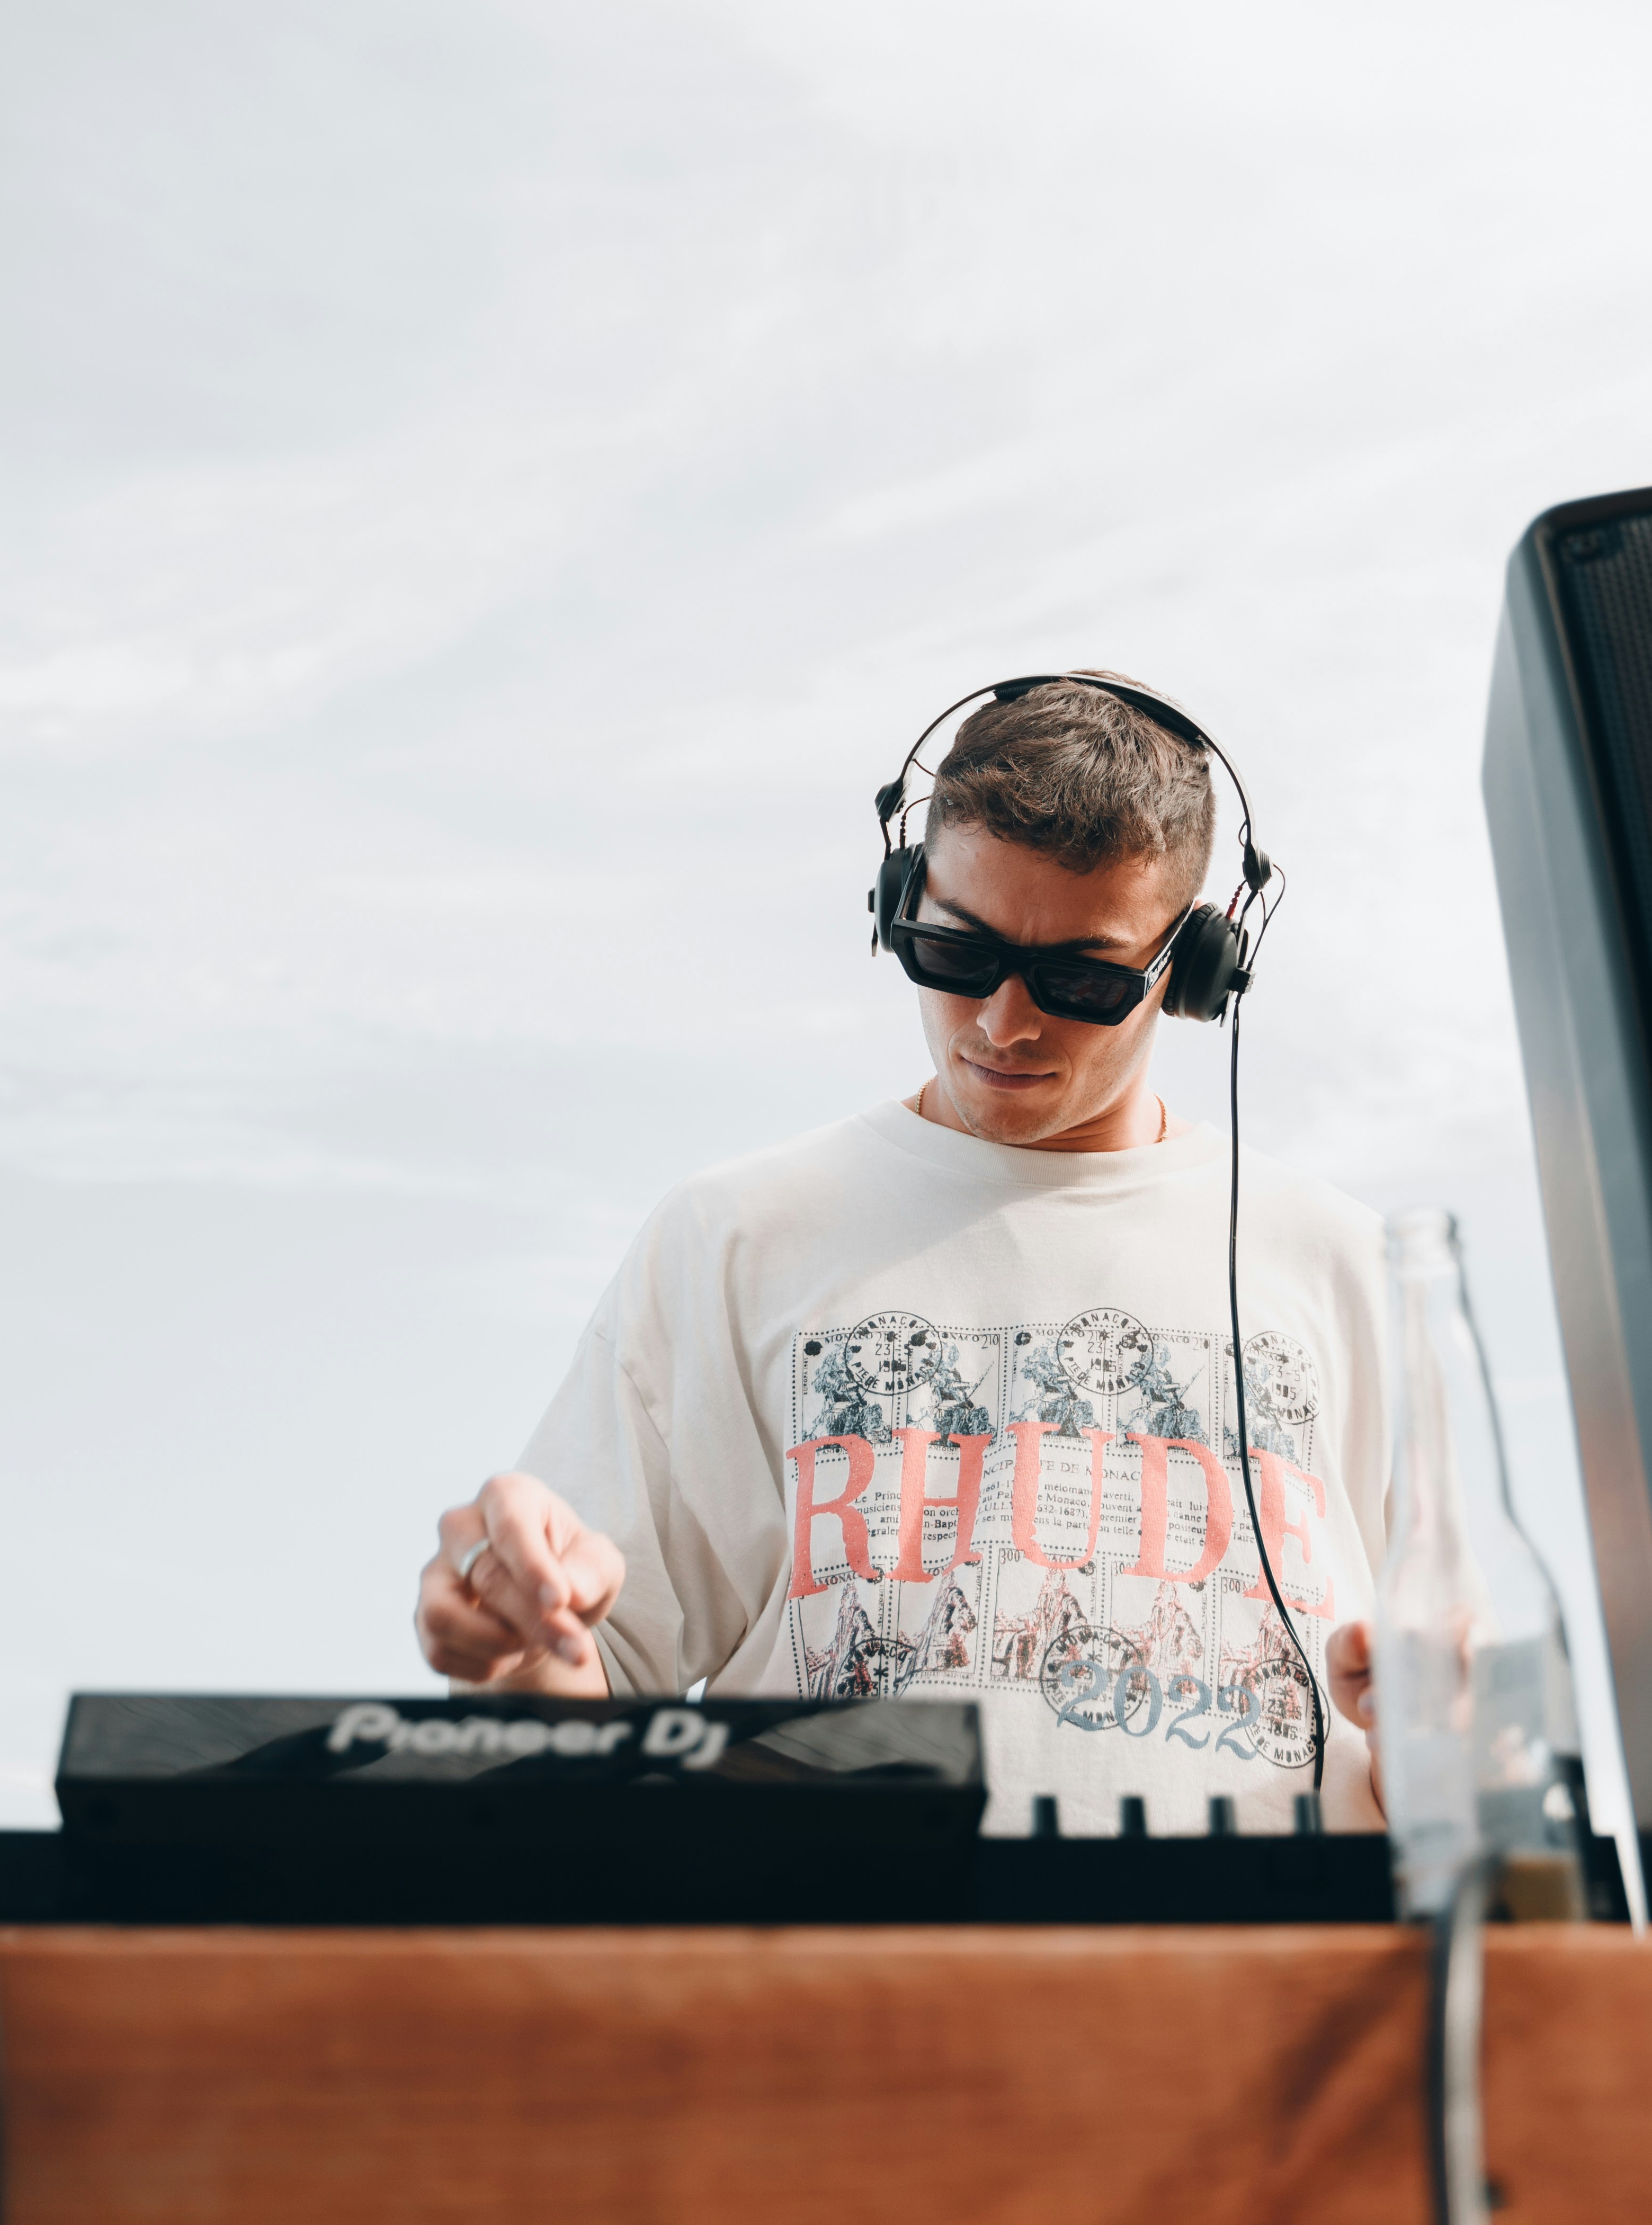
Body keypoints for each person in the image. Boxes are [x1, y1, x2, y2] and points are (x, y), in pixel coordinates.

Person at [414, 673, 1387, 1834]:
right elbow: (583, 1714)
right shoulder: (734, 1237)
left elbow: (1442, 1741)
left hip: (1261, 1998)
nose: (1002, 1023)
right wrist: (517, 1642)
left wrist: (1454, 1732)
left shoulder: (1341, 1264)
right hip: (837, 1994)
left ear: (1193, 969)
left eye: (1080, 980)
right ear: (896, 903)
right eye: (954, 951)